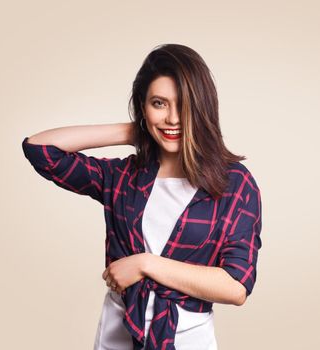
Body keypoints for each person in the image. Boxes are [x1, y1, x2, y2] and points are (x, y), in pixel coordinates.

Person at [21, 43, 262, 350]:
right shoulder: (123, 176)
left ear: (202, 109)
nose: (173, 118)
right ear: (143, 107)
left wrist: (146, 264)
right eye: (159, 104)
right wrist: (138, 131)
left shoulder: (233, 183)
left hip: (187, 339)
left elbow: (236, 286)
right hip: (117, 333)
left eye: (184, 105)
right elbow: (40, 150)